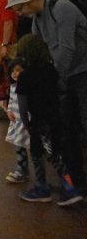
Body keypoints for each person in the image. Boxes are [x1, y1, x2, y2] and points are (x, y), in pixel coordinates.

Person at [5, 0, 87, 195]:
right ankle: (77, 181)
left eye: (20, 7)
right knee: (67, 130)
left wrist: (53, 80)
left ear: (31, 0)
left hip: (82, 73)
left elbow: (67, 48)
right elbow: (39, 53)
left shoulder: (62, 9)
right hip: (66, 78)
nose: (19, 13)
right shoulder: (38, 21)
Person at [10, 37, 83, 206]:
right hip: (55, 119)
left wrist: (27, 124)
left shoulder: (25, 76)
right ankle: (69, 186)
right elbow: (61, 89)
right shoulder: (50, 69)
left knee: (38, 156)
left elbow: (23, 105)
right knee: (56, 155)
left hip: (38, 123)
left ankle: (44, 189)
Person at [4, 57, 29, 184]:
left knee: (29, 147)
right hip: (16, 122)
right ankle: (22, 169)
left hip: (25, 122)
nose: (15, 73)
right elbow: (11, 101)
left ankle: (23, 171)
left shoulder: (27, 87)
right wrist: (9, 111)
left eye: (19, 70)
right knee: (18, 145)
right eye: (13, 71)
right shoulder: (13, 86)